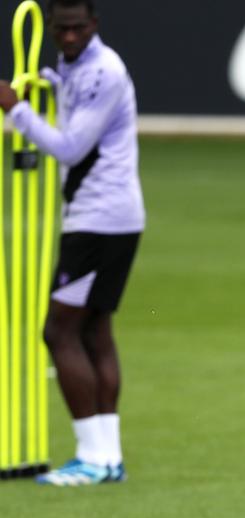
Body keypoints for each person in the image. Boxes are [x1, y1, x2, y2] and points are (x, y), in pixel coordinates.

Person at [0, 0, 145, 486]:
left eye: (77, 28)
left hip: (98, 220)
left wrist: (16, 109)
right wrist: (48, 84)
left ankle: (91, 456)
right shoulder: (74, 65)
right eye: (61, 29)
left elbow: (69, 148)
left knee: (58, 330)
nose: (68, 36)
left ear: (94, 25)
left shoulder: (105, 70)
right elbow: (72, 99)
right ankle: (107, 458)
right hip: (109, 217)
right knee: (93, 330)